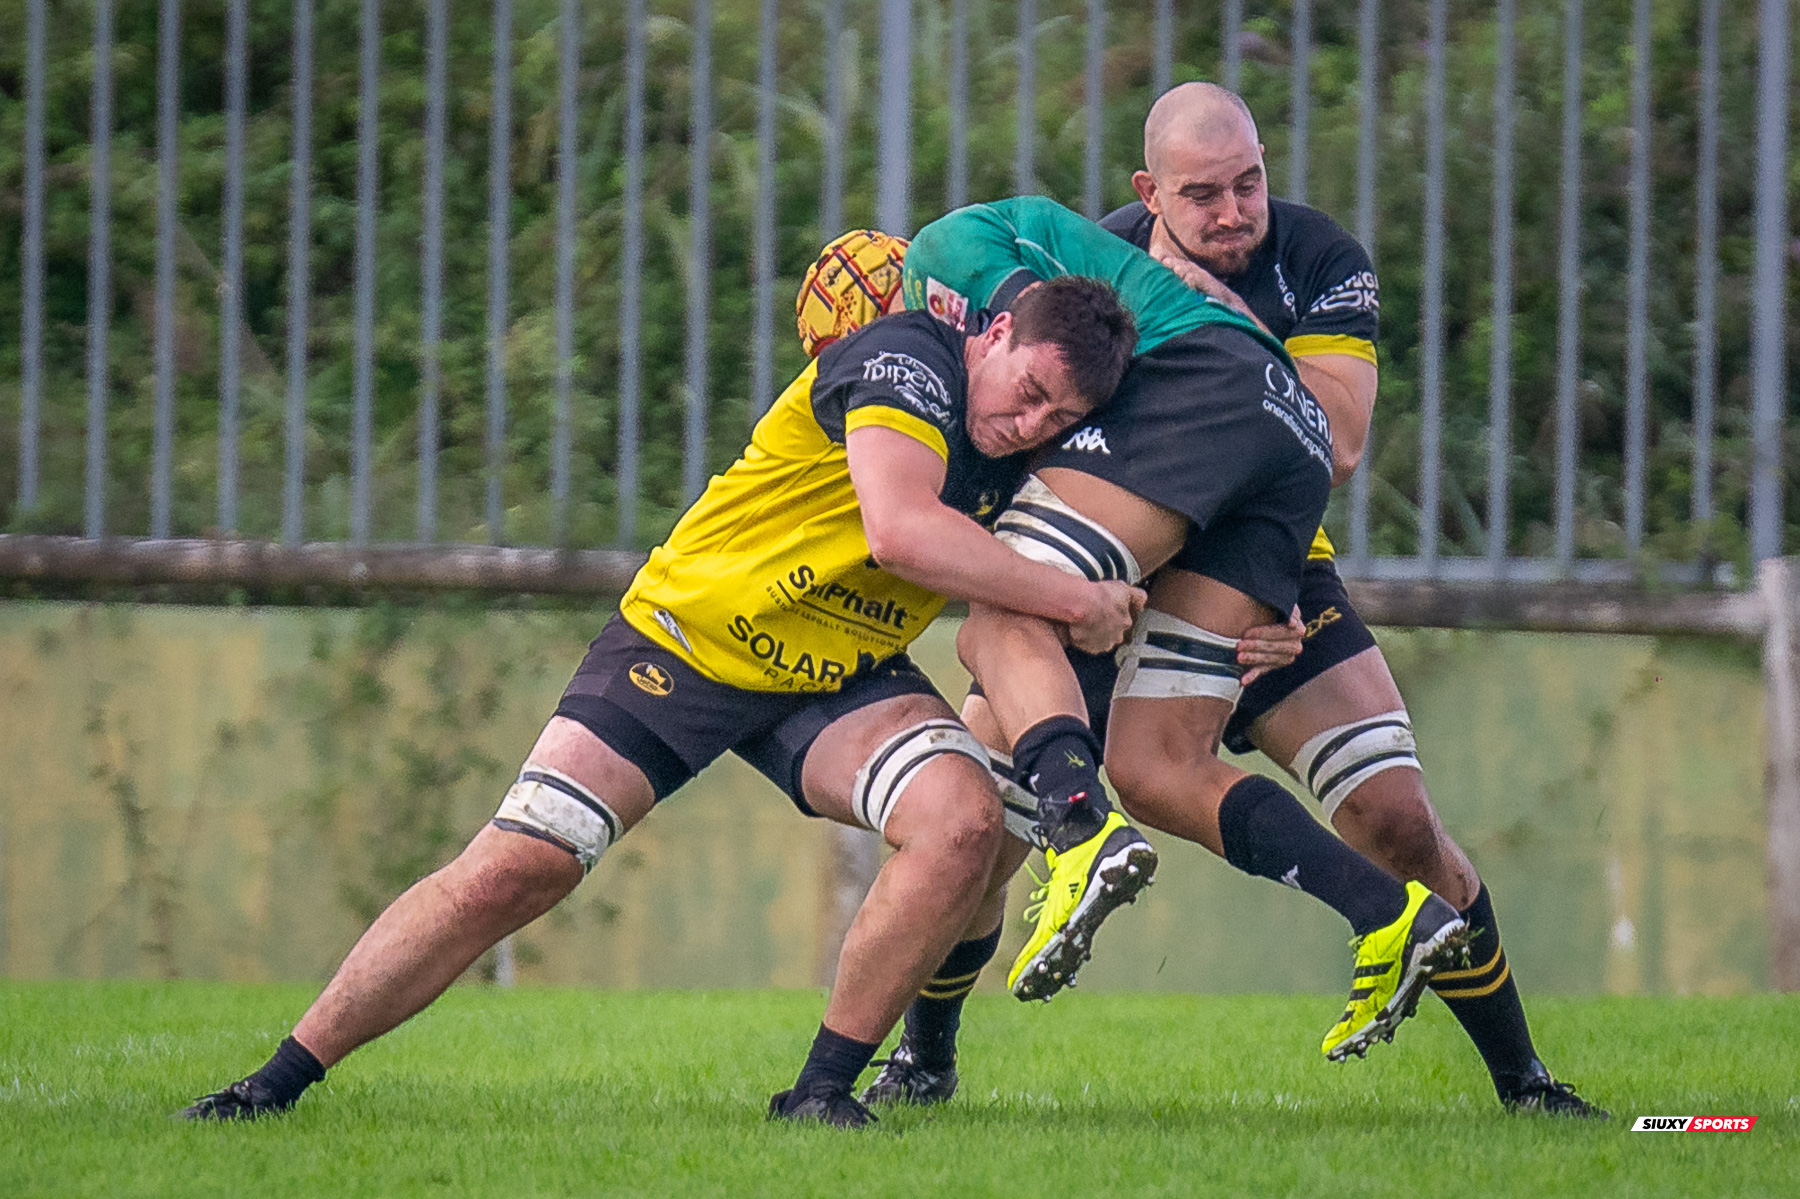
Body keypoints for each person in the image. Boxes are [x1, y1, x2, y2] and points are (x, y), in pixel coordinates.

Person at [178, 275, 1143, 1131]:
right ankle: (273, 1084)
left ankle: (819, 1094)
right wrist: (1072, 598)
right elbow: (898, 532)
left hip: (834, 671)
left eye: (1057, 419)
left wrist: (1291, 606)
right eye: (1029, 394)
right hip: (689, 640)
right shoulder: (906, 359)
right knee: (518, 867)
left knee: (963, 818)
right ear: (997, 331)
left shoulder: (1021, 435)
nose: (1032, 427)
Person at [881, 83, 1606, 1118]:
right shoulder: (1100, 249)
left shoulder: (1316, 257)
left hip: (1275, 587)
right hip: (1146, 558)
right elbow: (1061, 426)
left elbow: (1340, 437)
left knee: (1395, 815)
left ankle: (1525, 1081)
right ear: (1149, 194)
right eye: (1203, 194)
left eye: (1248, 184)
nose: (1233, 212)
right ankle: (927, 1059)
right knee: (1001, 799)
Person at [796, 200, 1473, 1106]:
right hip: (1267, 457)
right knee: (1151, 767)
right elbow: (1180, 441)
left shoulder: (971, 287)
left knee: (997, 631)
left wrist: (1291, 611)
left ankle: (1080, 830)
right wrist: (1267, 597)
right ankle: (1388, 913)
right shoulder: (1044, 347)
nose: (887, 401)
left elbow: (1122, 401)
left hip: (1216, 444)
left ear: (961, 322)